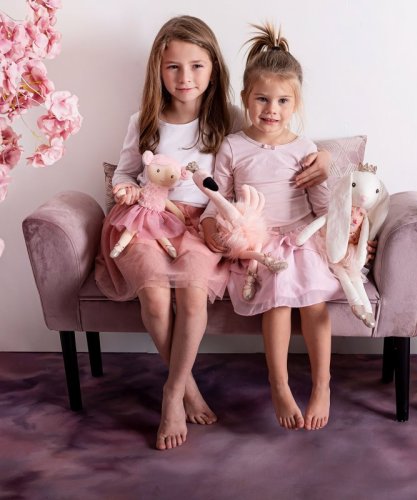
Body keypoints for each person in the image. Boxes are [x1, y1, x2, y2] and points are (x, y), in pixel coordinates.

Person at [95, 16, 333, 450]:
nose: (185, 77)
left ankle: (173, 388)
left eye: (196, 66)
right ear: (158, 70)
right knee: (154, 297)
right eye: (173, 67)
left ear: (214, 69)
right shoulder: (143, 120)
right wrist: (124, 188)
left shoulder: (231, 118)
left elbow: (278, 138)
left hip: (201, 224)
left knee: (192, 294)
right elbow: (126, 172)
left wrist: (329, 159)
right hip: (148, 220)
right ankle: (181, 390)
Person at [201, 23, 343, 431]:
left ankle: (322, 385)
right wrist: (211, 225)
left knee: (314, 305)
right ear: (245, 97)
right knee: (278, 298)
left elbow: (321, 205)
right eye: (262, 98)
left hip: (300, 238)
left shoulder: (305, 149)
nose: (271, 109)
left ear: (295, 103)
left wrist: (344, 232)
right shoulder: (232, 146)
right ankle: (278, 384)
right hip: (259, 242)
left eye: (282, 100)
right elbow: (217, 196)